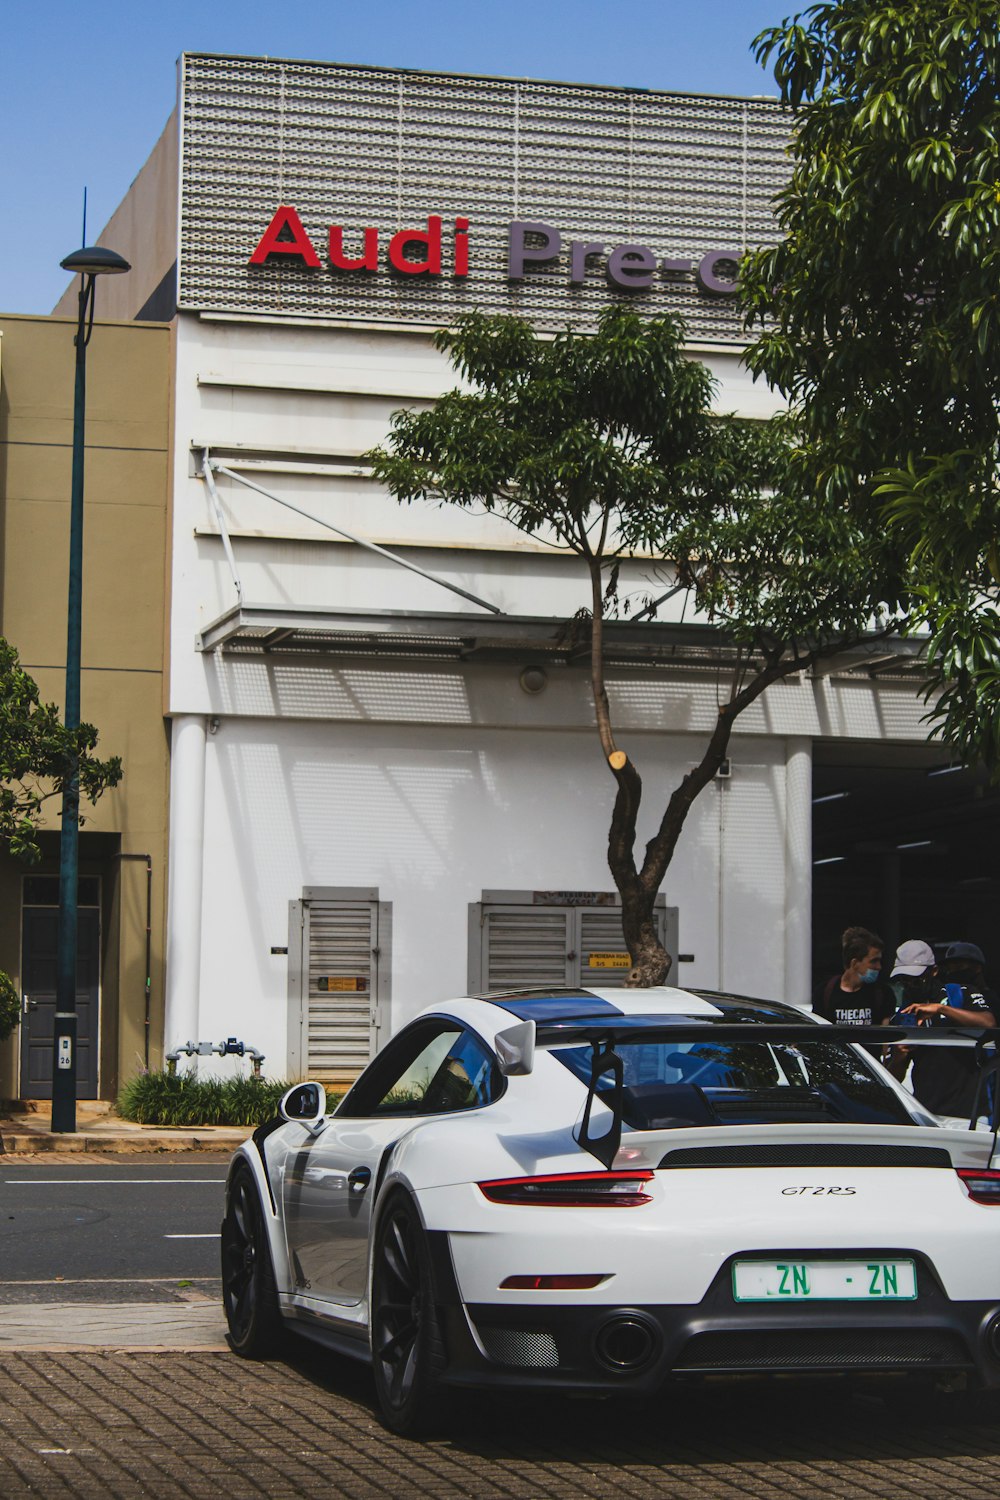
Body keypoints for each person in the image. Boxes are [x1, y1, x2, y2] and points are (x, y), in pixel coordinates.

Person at [888, 939, 996, 1119]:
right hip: (926, 1112)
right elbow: (893, 1080)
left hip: (970, 1112)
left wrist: (941, 1009)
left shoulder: (961, 993)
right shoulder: (903, 1015)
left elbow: (989, 1022)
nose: (909, 986)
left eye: (916, 980)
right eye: (903, 981)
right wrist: (900, 1056)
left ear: (934, 971)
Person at [813, 926, 895, 1028]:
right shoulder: (824, 992)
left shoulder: (883, 993)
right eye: (873, 961)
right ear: (855, 963)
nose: (879, 967)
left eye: (879, 961)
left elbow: (885, 1039)